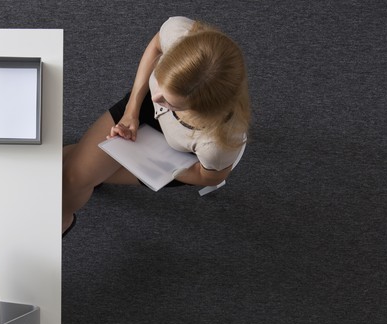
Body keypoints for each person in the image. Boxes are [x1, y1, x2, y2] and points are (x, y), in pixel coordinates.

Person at [62, 16, 251, 234]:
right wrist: (131, 110)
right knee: (69, 167)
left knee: (72, 177)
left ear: (201, 110)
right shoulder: (181, 33)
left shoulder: (216, 145)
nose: (155, 97)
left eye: (169, 101)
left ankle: (63, 223)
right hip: (139, 115)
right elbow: (155, 46)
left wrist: (154, 163)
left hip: (174, 161)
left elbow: (209, 176)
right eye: (160, 83)